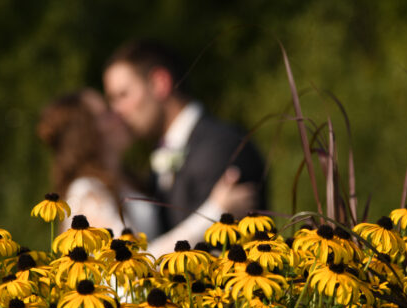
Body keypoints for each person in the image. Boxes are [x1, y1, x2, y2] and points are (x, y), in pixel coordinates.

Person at [37, 88, 254, 255]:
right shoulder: (86, 192)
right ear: (86, 134)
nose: (117, 114)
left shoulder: (125, 179)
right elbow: (131, 262)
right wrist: (215, 211)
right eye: (105, 113)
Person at [103, 39, 267, 234]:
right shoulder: (162, 152)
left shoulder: (221, 146)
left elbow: (215, 244)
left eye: (123, 95)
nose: (117, 111)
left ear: (159, 83)